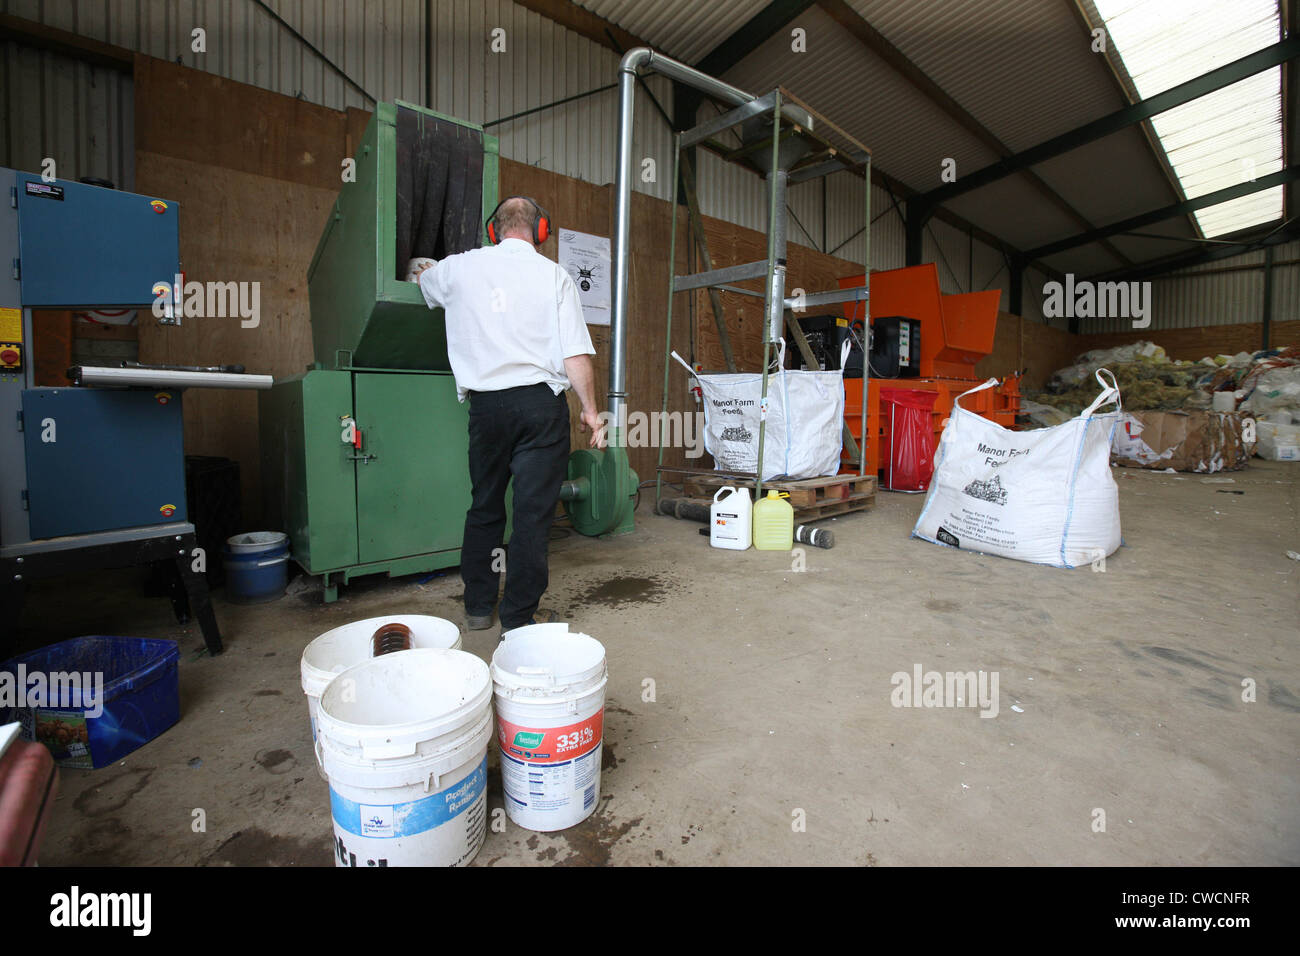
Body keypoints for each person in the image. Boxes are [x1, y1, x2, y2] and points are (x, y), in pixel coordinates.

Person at [416, 195, 603, 637]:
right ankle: (518, 620)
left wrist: (430, 272)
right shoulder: (554, 276)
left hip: (487, 409)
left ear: (493, 230)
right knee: (533, 515)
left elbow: (424, 281)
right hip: (540, 408)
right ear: (541, 232)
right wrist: (591, 412)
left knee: (484, 507)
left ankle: (479, 607)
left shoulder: (459, 267)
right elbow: (575, 354)